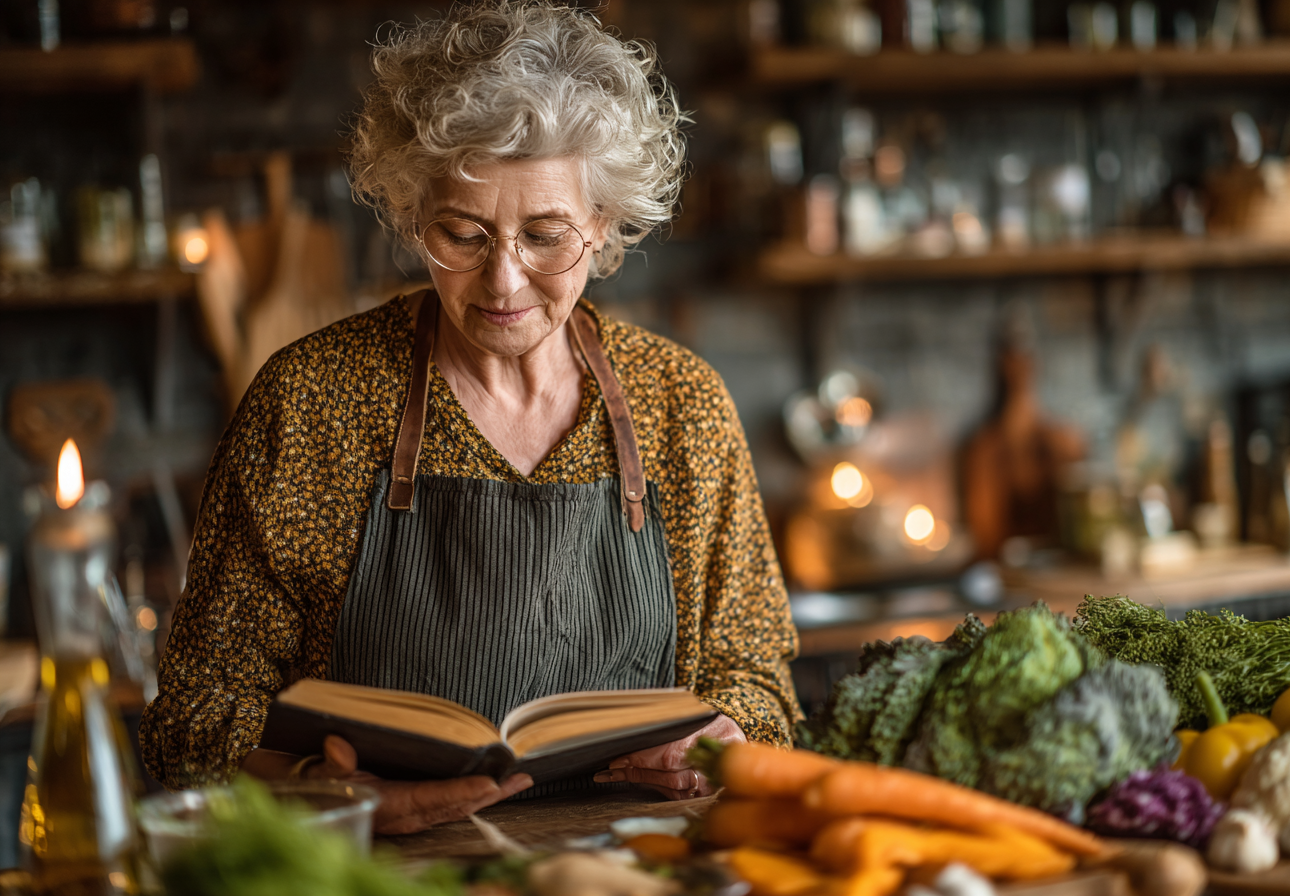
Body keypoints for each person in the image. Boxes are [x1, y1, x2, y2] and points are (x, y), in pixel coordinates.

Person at [139, 0, 801, 835]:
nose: (504, 282)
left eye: (546, 235)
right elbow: (194, 718)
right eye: (464, 233)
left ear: (602, 226)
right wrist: (327, 791)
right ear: (413, 215)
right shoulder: (312, 404)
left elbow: (760, 680)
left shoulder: (682, 407)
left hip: (633, 873)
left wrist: (728, 734)